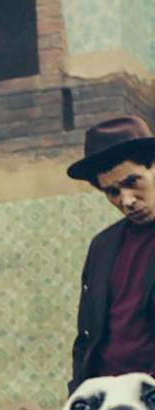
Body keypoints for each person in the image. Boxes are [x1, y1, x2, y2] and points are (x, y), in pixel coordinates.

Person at [68, 115, 155, 392]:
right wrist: (79, 392)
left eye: (134, 182)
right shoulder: (102, 246)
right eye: (113, 191)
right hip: (106, 401)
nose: (126, 200)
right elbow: (87, 335)